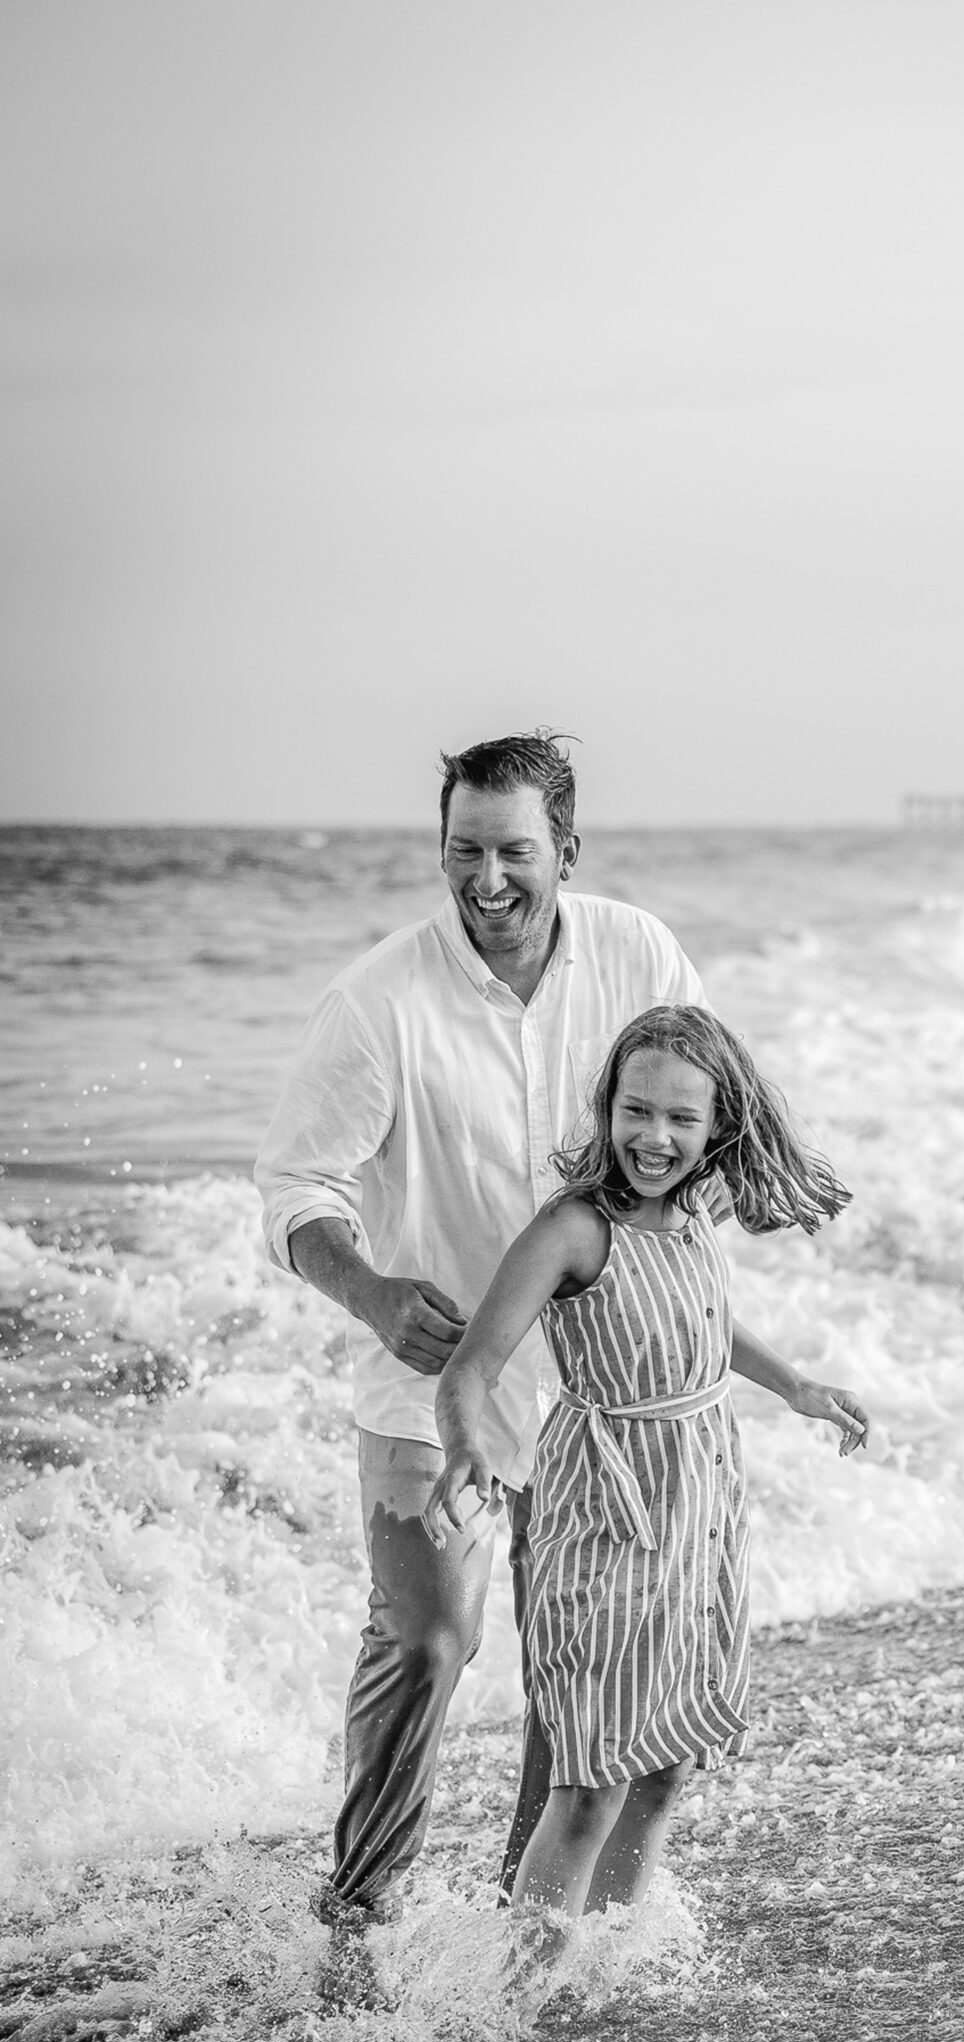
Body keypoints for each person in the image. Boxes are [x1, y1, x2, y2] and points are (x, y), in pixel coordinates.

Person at [255, 732, 705, 1942]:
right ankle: (360, 1914)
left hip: (594, 1394)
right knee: (428, 1638)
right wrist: (370, 1290)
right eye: (463, 853)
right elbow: (296, 1189)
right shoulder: (379, 999)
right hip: (429, 1379)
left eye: (515, 852)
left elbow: (697, 1130)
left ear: (567, 847)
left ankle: (525, 1931)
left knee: (576, 1671)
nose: (487, 881)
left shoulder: (639, 953)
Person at [423, 1005, 867, 1921]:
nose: (653, 1137)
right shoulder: (574, 1231)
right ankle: (524, 1993)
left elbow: (698, 1319)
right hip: (607, 1524)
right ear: (606, 1107)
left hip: (698, 1515)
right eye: (635, 1111)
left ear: (718, 1126)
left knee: (664, 1766)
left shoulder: (696, 1210)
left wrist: (794, 1387)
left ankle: (606, 1971)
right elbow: (471, 1367)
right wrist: (466, 1450)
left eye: (680, 1118)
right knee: (591, 1779)